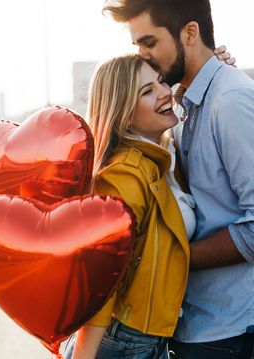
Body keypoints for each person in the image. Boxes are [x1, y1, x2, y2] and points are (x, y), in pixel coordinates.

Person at [99, 0, 254, 358]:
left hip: (229, 331)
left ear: (189, 33)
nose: (144, 56)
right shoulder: (184, 104)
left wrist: (170, 258)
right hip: (193, 323)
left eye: (149, 42)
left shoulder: (229, 100)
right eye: (137, 46)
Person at [65, 53, 195, 359]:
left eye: (161, 81)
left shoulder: (160, 158)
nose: (164, 91)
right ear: (124, 114)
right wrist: (84, 355)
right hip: (120, 343)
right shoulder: (125, 175)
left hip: (144, 341)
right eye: (146, 91)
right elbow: (101, 280)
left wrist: (214, 67)